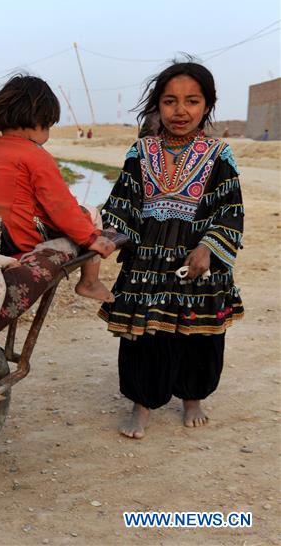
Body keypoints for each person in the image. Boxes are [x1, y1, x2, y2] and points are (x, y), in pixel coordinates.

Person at [98, 61, 244, 439]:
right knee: (144, 334)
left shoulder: (219, 154)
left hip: (197, 260)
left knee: (198, 333)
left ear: (207, 106)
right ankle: (142, 403)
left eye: (192, 101)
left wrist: (209, 248)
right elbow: (124, 201)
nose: (180, 110)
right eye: (170, 101)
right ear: (157, 106)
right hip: (147, 260)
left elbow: (229, 210)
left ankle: (193, 397)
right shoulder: (140, 151)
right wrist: (111, 234)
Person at [0, 75, 116, 302]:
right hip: (28, 241)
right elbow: (60, 205)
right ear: (38, 121)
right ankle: (89, 282)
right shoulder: (36, 156)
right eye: (48, 125)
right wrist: (89, 239)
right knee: (91, 212)